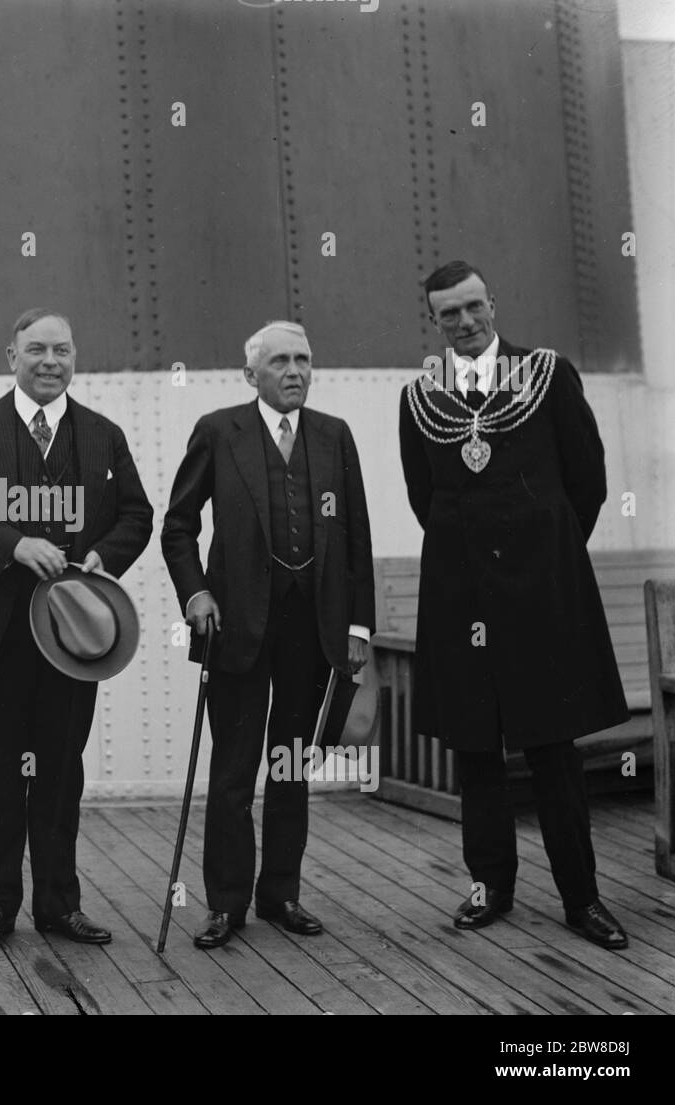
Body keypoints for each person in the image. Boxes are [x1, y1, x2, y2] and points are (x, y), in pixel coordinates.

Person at [399, 260, 630, 950]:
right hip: (460, 596)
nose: (465, 323)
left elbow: (585, 482)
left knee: (553, 748)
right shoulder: (420, 397)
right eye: (449, 314)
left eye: (474, 307)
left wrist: (542, 560)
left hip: (541, 595)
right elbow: (425, 499)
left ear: (493, 303)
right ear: (434, 321)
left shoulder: (548, 376)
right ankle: (488, 888)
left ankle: (582, 898)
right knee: (476, 748)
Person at [0, 308, 153, 954]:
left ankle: (59, 904)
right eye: (37, 350)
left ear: (74, 357)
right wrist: (15, 543)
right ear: (11, 356)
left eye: (62, 350)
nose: (50, 360)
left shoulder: (104, 436)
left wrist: (105, 556)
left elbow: (138, 514)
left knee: (60, 772)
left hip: (74, 636)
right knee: (2, 775)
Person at [162, 321, 374, 949]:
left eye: (303, 359)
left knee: (290, 766)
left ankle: (281, 895)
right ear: (250, 373)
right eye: (280, 361)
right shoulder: (218, 431)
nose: (295, 371)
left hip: (312, 630)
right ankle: (226, 905)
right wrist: (197, 594)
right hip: (238, 628)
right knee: (233, 772)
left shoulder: (334, 436)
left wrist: (357, 625)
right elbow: (177, 526)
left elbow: (357, 536)